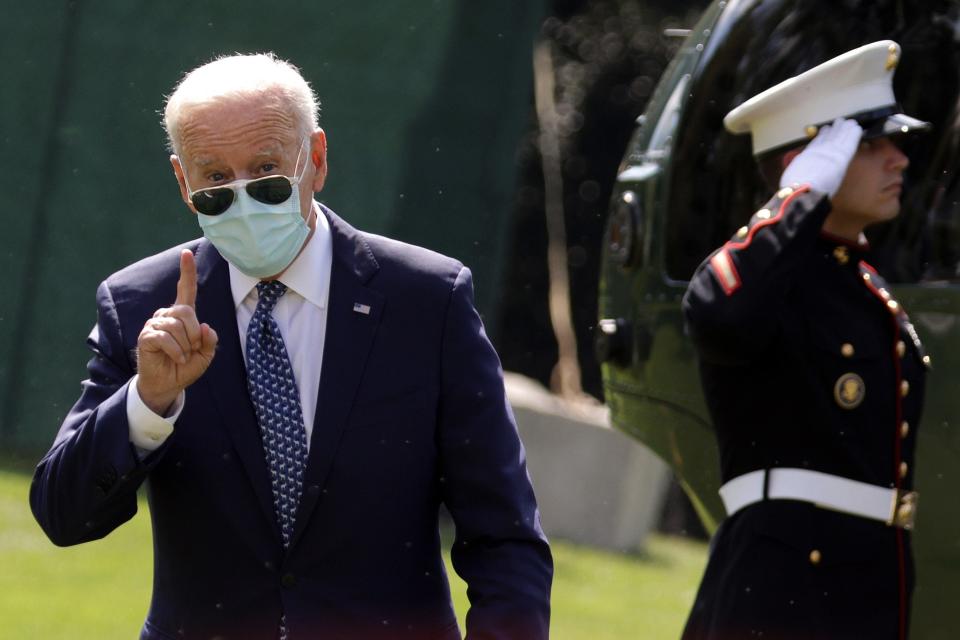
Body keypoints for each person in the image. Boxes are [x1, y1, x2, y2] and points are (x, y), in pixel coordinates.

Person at [30, 53, 552, 640]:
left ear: (317, 159)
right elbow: (63, 515)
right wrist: (146, 402)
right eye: (216, 182)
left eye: (268, 173)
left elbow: (504, 534)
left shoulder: (427, 301)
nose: (246, 202)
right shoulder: (140, 306)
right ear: (183, 182)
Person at [681, 41, 930, 639]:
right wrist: (797, 200)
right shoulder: (762, 278)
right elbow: (717, 314)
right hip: (786, 588)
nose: (899, 159)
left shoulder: (863, 285)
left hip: (866, 581)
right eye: (872, 145)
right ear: (812, 159)